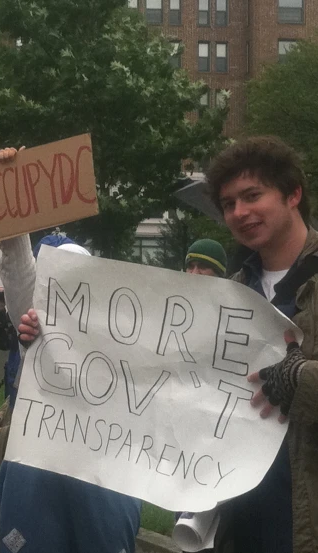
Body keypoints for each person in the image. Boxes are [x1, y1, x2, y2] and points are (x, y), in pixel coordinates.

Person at [0, 146, 141, 553]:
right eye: (55, 276)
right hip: (37, 469)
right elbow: (19, 266)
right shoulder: (33, 320)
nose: (66, 288)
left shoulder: (119, 334)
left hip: (102, 475)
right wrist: (11, 190)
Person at [204, 136, 318, 553]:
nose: (240, 212)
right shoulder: (229, 294)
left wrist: (299, 378)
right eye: (229, 203)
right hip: (241, 522)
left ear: (293, 194)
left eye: (252, 196)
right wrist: (49, 335)